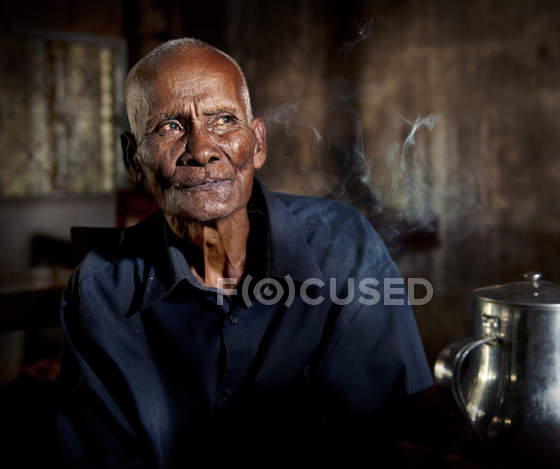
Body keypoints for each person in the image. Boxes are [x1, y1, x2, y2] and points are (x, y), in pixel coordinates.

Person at [57, 38, 433, 468]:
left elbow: (386, 438)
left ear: (256, 144)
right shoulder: (101, 288)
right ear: (133, 158)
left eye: (223, 121)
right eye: (169, 127)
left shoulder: (342, 245)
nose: (201, 149)